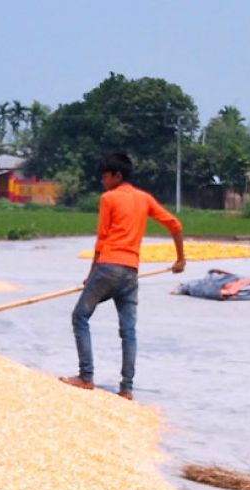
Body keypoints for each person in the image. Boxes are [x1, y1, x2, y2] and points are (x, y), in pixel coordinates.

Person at [60, 152, 185, 400]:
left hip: (108, 267)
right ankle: (126, 389)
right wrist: (181, 258)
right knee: (128, 331)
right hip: (130, 273)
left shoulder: (109, 199)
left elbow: (102, 240)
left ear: (118, 175)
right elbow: (175, 225)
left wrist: (91, 274)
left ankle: (86, 377)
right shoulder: (144, 198)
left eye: (105, 176)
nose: (103, 181)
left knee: (80, 316)